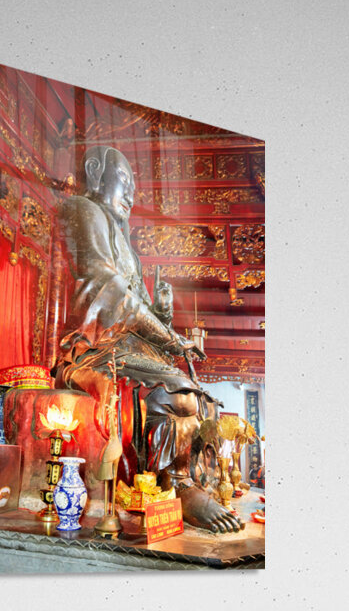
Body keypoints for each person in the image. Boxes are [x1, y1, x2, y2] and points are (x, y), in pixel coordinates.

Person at [55, 146, 245, 534]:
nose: (130, 194)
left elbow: (138, 308)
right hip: (95, 348)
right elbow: (110, 294)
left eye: (134, 187)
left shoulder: (126, 245)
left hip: (130, 346)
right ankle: (178, 484)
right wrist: (170, 337)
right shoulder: (83, 210)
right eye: (124, 181)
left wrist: (163, 312)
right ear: (95, 172)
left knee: (204, 402)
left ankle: (192, 481)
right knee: (177, 393)